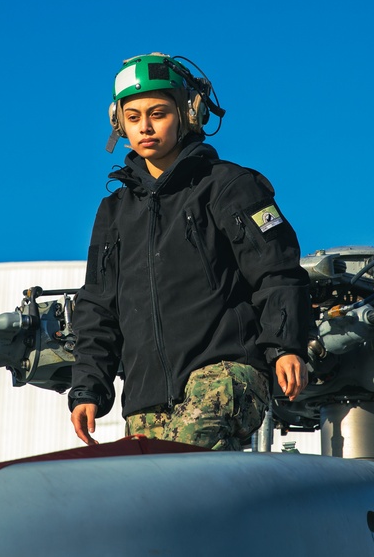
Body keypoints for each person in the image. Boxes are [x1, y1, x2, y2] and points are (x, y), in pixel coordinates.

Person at [68, 52, 311, 452]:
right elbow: (97, 306)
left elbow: (277, 270)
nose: (145, 127)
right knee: (155, 501)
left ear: (188, 112)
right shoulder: (113, 212)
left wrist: (286, 346)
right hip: (146, 397)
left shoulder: (230, 187)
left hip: (226, 372)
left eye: (158, 113)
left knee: (186, 461)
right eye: (133, 117)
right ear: (119, 123)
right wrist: (87, 388)